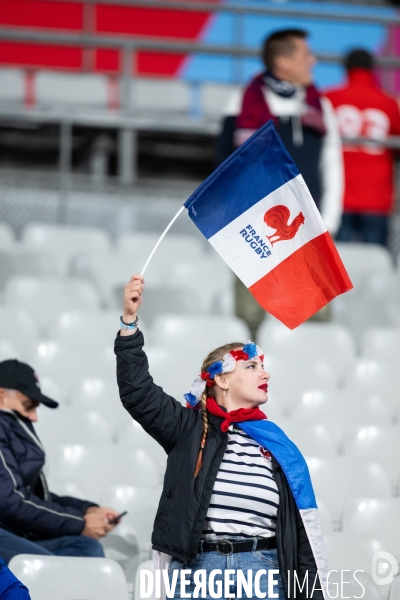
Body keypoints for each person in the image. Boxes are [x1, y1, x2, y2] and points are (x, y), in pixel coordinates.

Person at [115, 274, 329, 600]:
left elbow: (301, 532)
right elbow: (137, 393)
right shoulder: (187, 427)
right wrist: (129, 323)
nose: (265, 373)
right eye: (253, 366)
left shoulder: (275, 442)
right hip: (200, 568)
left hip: (265, 568)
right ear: (223, 380)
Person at [0, 359, 120, 564]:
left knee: (87, 549)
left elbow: (33, 496)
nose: (35, 417)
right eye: (29, 405)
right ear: (1, 395)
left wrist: (86, 510)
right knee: (51, 568)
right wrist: (79, 523)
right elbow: (10, 501)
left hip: (13, 530)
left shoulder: (12, 426)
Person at [325, 48, 400, 247]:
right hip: (376, 197)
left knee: (338, 268)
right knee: (376, 266)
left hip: (337, 195)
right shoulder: (389, 103)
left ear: (346, 68)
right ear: (372, 69)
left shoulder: (329, 98)